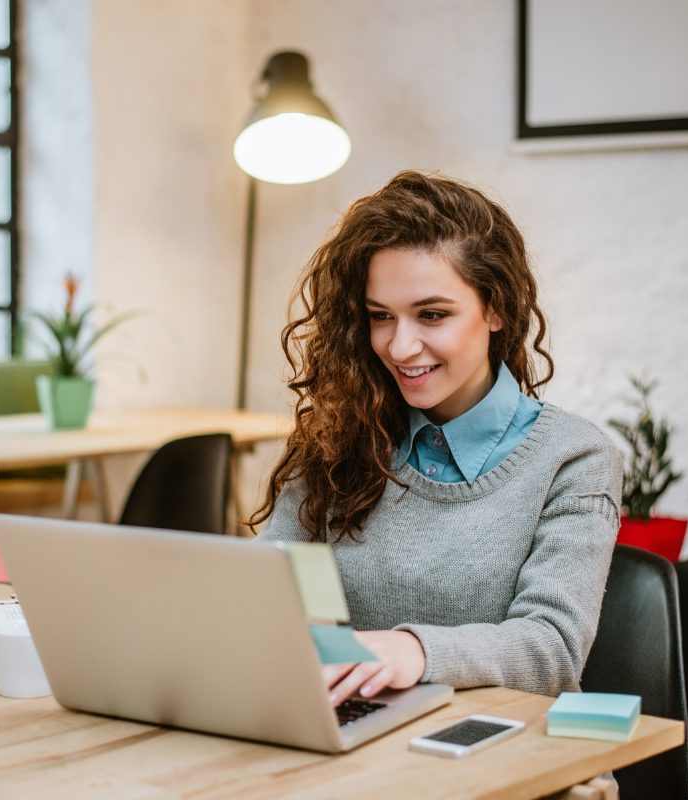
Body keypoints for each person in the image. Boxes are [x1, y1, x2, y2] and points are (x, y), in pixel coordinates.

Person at [252, 170, 622, 708]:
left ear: (496, 308)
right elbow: (267, 588)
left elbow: (552, 647)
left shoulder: (575, 459)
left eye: (432, 315)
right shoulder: (342, 437)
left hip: (502, 753)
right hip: (359, 738)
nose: (401, 347)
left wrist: (412, 651)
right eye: (381, 317)